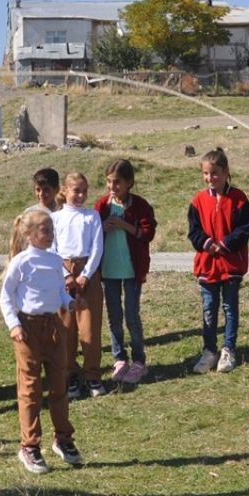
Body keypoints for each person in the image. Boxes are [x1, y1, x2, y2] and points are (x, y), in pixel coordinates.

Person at [0, 209, 82, 474]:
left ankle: (63, 439)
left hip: (54, 327)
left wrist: (71, 302)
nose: (50, 235)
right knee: (31, 387)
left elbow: (59, 293)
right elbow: (5, 297)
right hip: (28, 329)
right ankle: (30, 446)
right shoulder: (22, 262)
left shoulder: (55, 261)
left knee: (60, 383)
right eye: (45, 230)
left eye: (51, 230)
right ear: (29, 233)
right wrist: (14, 326)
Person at [187, 147, 249, 374]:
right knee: (209, 309)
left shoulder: (239, 200)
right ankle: (209, 351)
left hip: (230, 264)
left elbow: (244, 230)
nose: (210, 178)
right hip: (207, 266)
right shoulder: (197, 201)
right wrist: (207, 244)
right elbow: (193, 231)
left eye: (214, 173)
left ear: (226, 173)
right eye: (206, 173)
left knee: (230, 308)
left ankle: (228, 349)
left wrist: (224, 245)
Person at [94, 159, 157, 385]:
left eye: (117, 182)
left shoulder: (139, 205)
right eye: (109, 182)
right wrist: (102, 228)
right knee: (114, 316)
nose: (112, 187)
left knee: (131, 315)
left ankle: (139, 360)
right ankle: (119, 358)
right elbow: (91, 235)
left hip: (132, 271)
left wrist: (124, 226)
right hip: (109, 271)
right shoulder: (101, 205)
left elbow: (148, 233)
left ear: (129, 183)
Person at [53, 172, 107, 398]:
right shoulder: (55, 219)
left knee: (90, 328)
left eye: (84, 191)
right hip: (62, 272)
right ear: (64, 191)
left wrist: (85, 274)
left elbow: (97, 247)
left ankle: (93, 375)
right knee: (66, 329)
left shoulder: (91, 216)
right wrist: (66, 274)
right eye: (76, 190)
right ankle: (70, 376)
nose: (81, 195)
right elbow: (52, 248)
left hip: (88, 273)